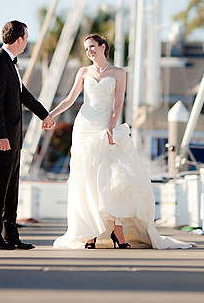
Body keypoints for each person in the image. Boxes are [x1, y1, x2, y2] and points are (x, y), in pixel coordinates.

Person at [50, 34, 193, 249]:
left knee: (113, 177)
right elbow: (70, 99)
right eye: (86, 48)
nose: (89, 51)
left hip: (106, 126)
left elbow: (118, 104)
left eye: (92, 47)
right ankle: (90, 231)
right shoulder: (83, 72)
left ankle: (118, 231)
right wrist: (50, 115)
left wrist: (111, 125)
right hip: (84, 128)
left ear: (103, 47)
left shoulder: (118, 72)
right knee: (86, 177)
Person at [0, 20, 56, 250]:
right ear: (19, 39)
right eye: (26, 36)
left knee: (11, 187)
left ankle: (10, 236)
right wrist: (0, 136)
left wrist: (44, 115)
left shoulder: (11, 64)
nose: (27, 41)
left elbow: (24, 95)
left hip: (14, 137)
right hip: (2, 138)